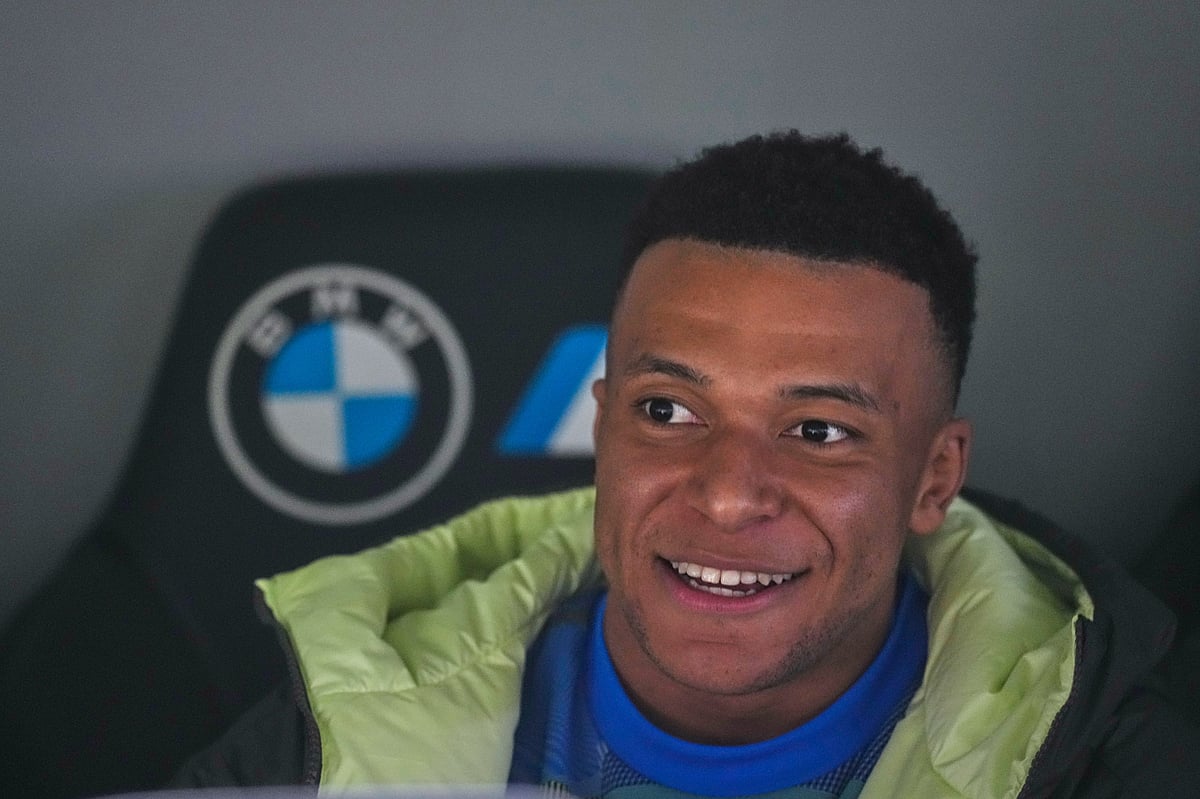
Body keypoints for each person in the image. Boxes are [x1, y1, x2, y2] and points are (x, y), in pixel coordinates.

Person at [173, 132, 1199, 797]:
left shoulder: (1105, 763)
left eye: (818, 431)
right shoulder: (339, 733)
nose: (726, 490)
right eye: (669, 410)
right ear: (604, 425)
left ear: (935, 477)